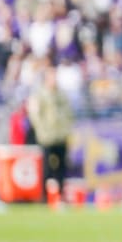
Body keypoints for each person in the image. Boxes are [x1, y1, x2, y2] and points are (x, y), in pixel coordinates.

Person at [27, 67, 73, 204]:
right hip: (47, 137)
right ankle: (43, 197)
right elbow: (35, 115)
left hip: (60, 136)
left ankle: (61, 196)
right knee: (46, 168)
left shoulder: (62, 94)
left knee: (62, 168)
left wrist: (66, 130)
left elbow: (69, 114)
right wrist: (42, 131)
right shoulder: (40, 94)